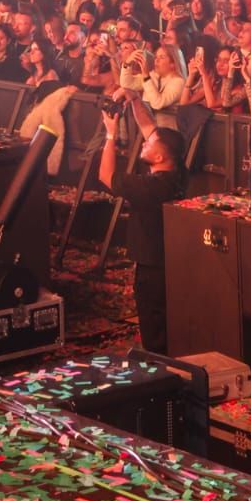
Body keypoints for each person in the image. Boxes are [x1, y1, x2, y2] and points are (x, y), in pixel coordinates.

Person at [99, 99, 185, 352]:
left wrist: (110, 134)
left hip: (151, 266)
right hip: (168, 260)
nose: (144, 142)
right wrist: (133, 97)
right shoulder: (177, 173)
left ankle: (159, 369)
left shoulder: (149, 187)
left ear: (158, 156)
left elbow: (105, 176)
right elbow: (150, 128)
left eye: (148, 144)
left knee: (153, 323)